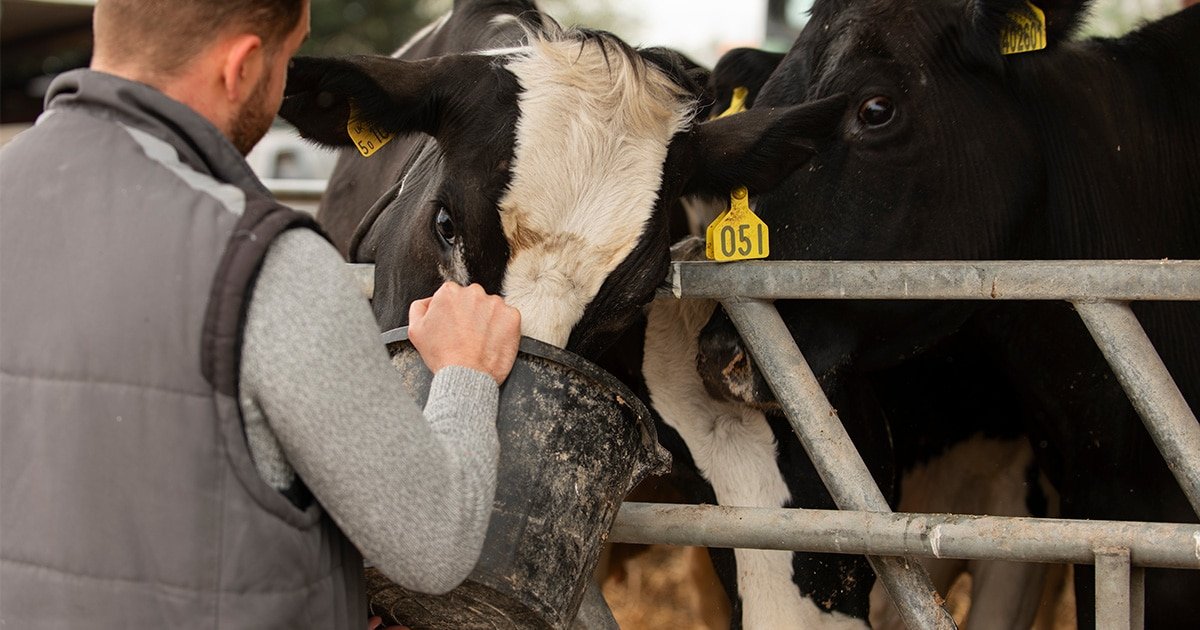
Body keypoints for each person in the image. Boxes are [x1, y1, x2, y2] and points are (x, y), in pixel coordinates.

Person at [0, 1, 522, 628]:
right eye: (285, 58)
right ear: (244, 65)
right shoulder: (266, 265)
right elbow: (433, 543)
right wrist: (466, 372)